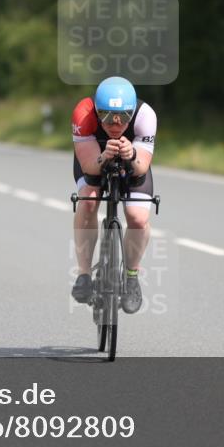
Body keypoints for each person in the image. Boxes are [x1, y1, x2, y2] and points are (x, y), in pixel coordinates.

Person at [70, 76, 157, 314]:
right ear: (97, 112)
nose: (115, 124)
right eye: (107, 116)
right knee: (88, 202)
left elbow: (141, 167)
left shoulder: (145, 115)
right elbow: (89, 166)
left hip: (133, 160)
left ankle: (131, 277)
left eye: (123, 117)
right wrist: (104, 156)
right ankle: (84, 274)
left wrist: (131, 155)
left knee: (138, 218)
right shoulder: (83, 114)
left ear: (132, 112)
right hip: (95, 156)